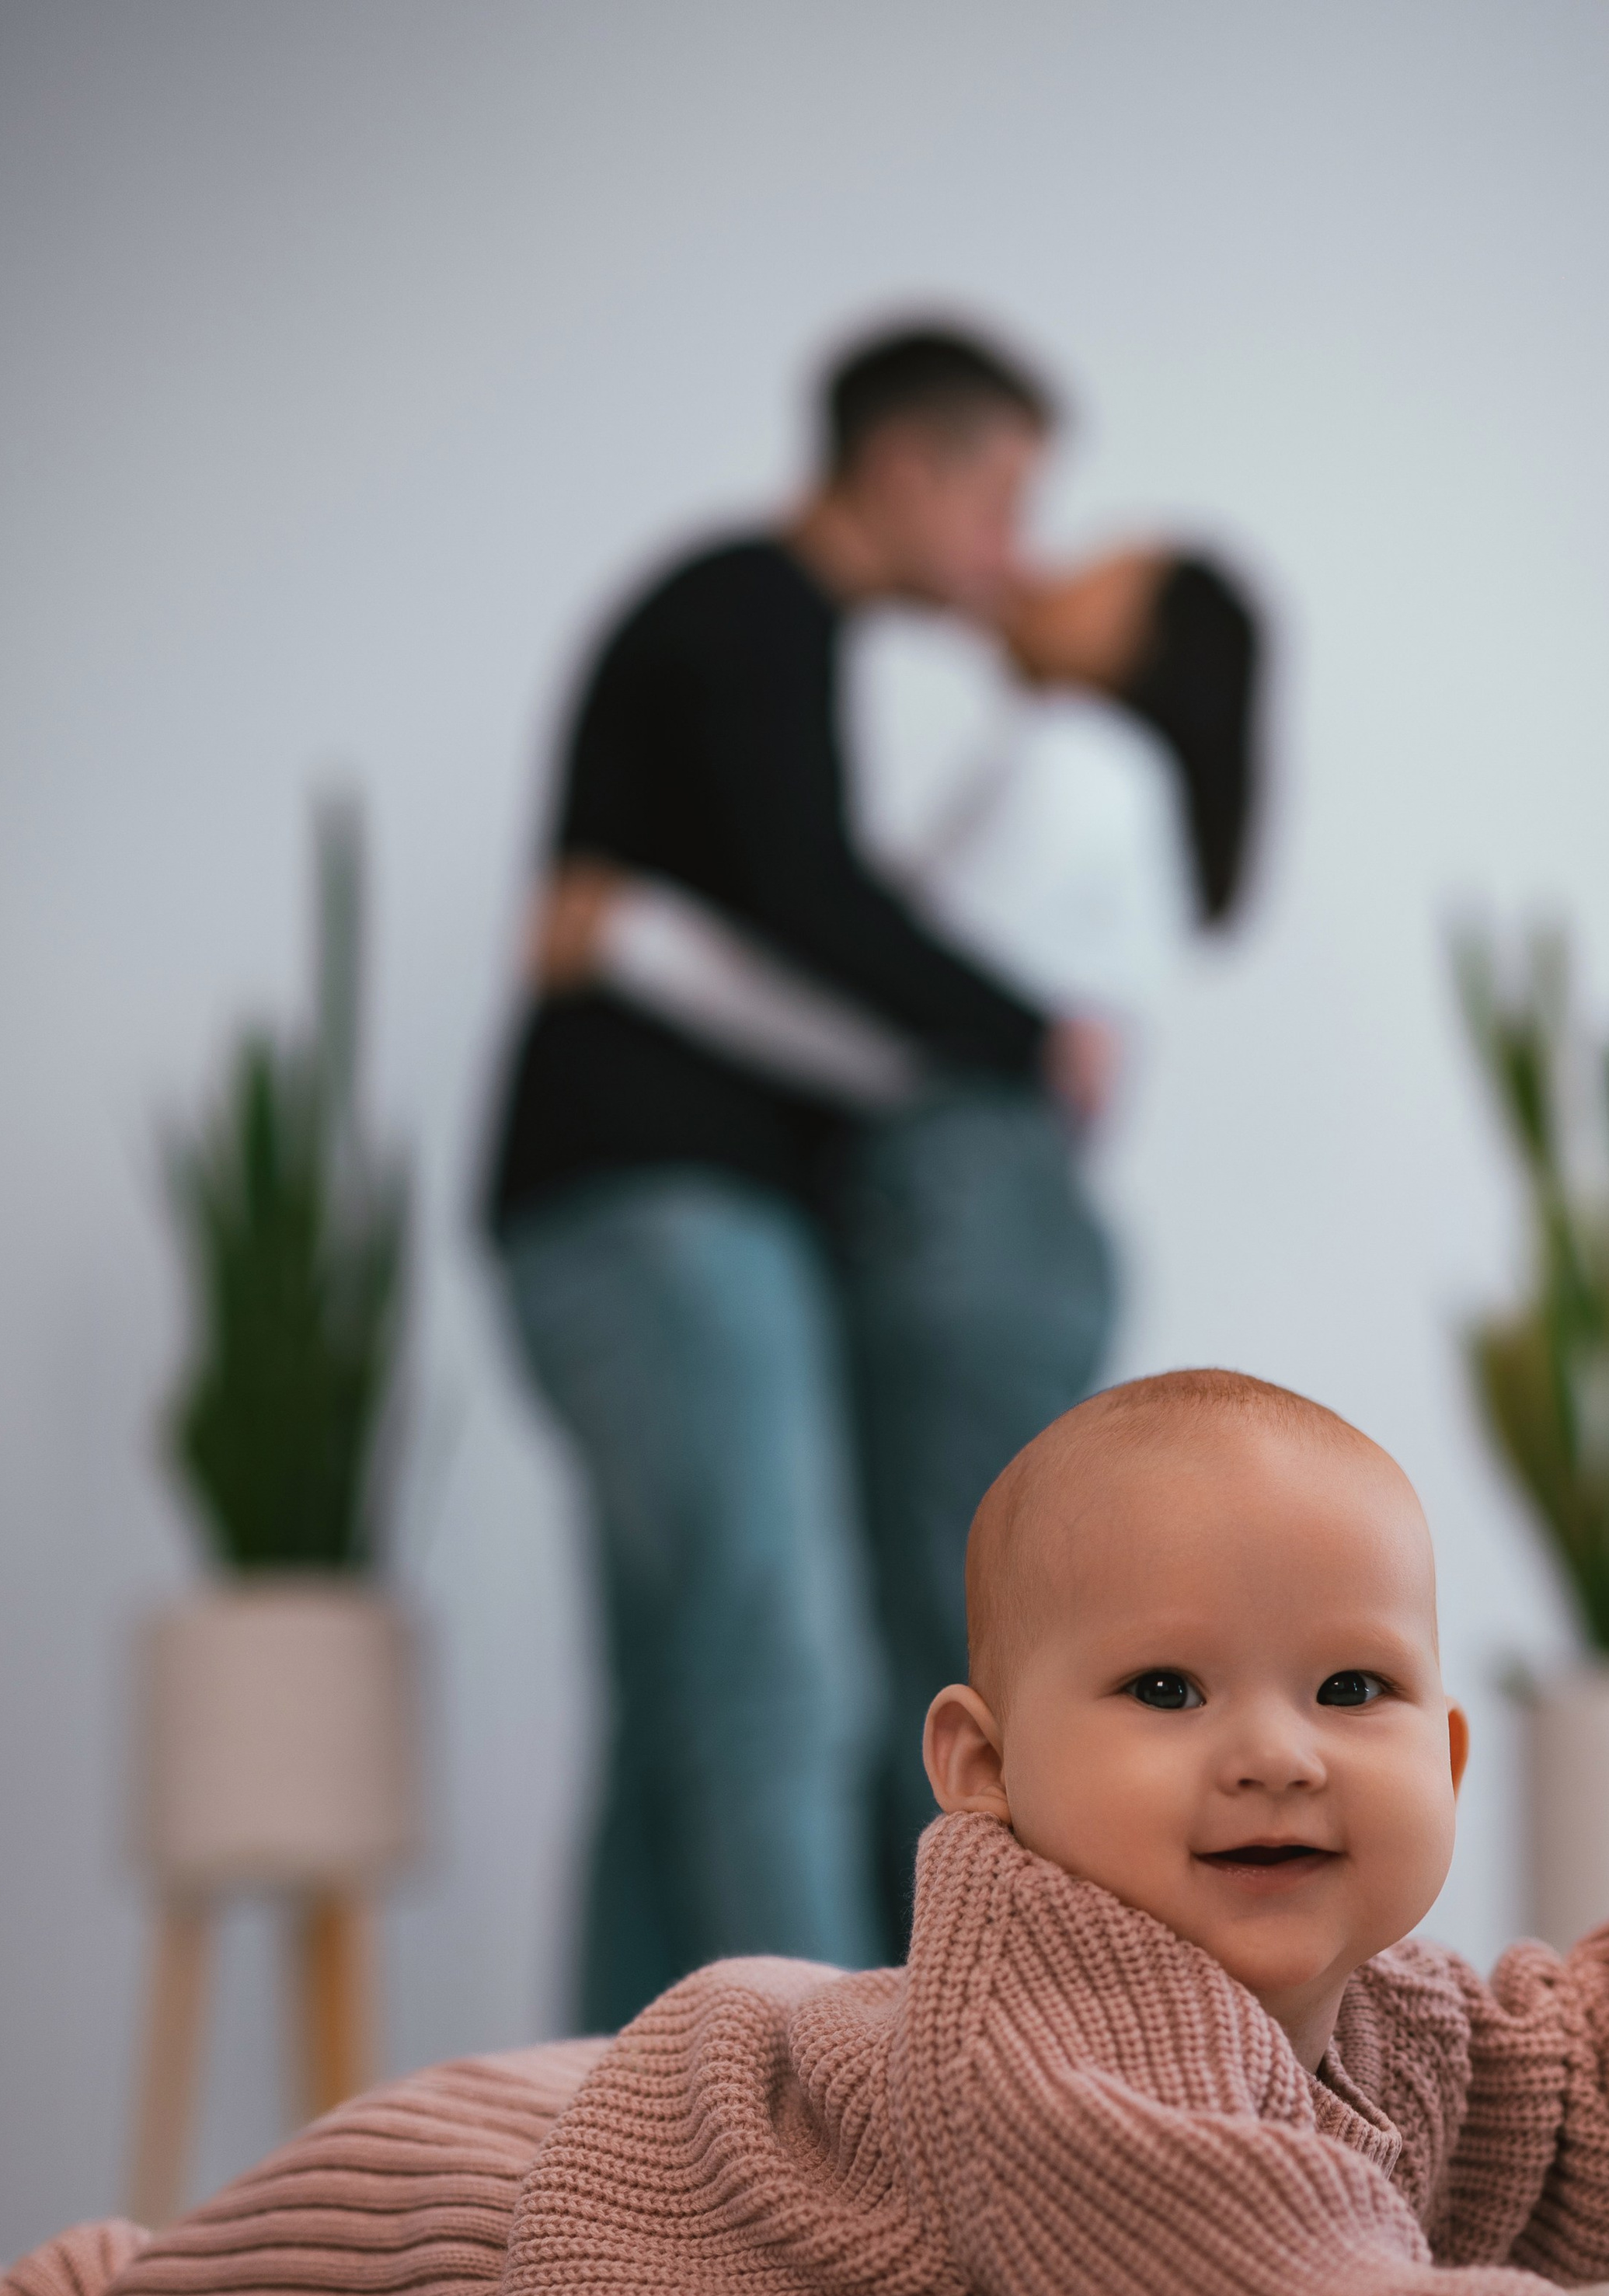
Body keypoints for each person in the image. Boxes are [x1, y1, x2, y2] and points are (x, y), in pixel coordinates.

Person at [0, 1373, 1609, 2296]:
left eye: (1347, 1688)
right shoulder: (1079, 2027)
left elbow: (1571, 2109)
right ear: (982, 1768)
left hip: (736, 2133)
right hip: (510, 2211)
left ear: (1448, 1746)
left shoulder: (1380, 2015)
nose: (1269, 1755)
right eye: (1162, 1690)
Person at [486, 322, 1113, 2031]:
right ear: (902, 465)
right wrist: (1025, 1030)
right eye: (997, 496)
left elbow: (758, 931)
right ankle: (851, 2160)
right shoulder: (755, 607)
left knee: (683, 1690)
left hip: (629, 1212)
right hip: (657, 1212)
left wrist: (626, 934)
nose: (1010, 549)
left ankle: (593, 2174)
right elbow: (814, 909)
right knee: (775, 1674)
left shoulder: (757, 617)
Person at [537, 539, 1266, 1937]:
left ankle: (952, 2100)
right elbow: (907, 983)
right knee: (950, 1668)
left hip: (961, 1232)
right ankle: (936, 2085)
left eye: (1106, 565)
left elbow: (896, 1018)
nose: (1050, 556)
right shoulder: (1079, 767)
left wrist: (627, 936)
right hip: (986, 1234)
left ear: (1146, 641)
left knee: (952, 1688)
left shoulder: (1080, 756)